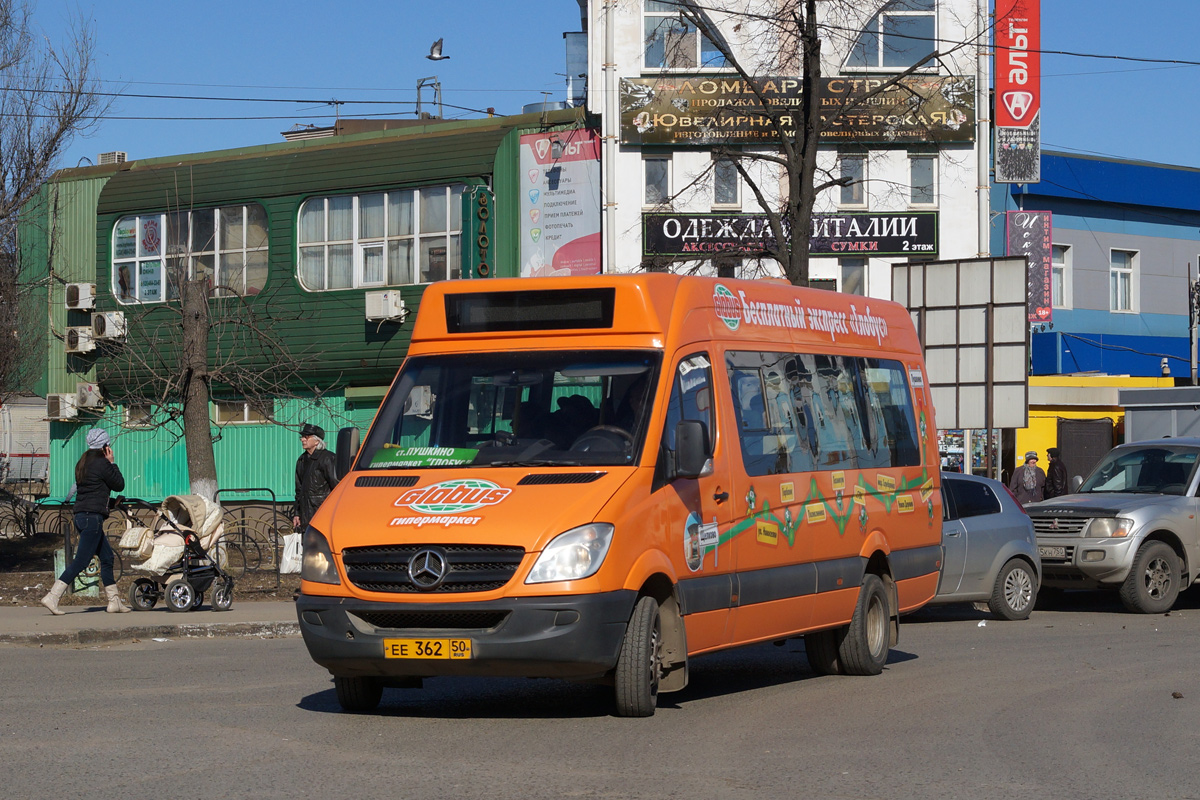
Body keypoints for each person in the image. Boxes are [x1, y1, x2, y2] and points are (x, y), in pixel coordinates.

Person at [41, 428, 129, 614]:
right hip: (92, 518)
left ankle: (114, 601)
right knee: (81, 560)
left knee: (107, 557)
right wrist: (112, 463)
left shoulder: (83, 462)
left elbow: (92, 491)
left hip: (82, 515)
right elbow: (119, 484)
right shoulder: (102, 464)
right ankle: (53, 596)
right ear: (105, 446)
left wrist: (111, 502)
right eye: (108, 444)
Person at [293, 423, 339, 531]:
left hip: (322, 513)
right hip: (305, 516)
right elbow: (299, 489)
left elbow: (337, 486)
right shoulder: (302, 460)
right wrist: (296, 513)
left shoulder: (328, 458)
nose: (303, 440)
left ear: (317, 441)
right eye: (302, 437)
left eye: (306, 437)